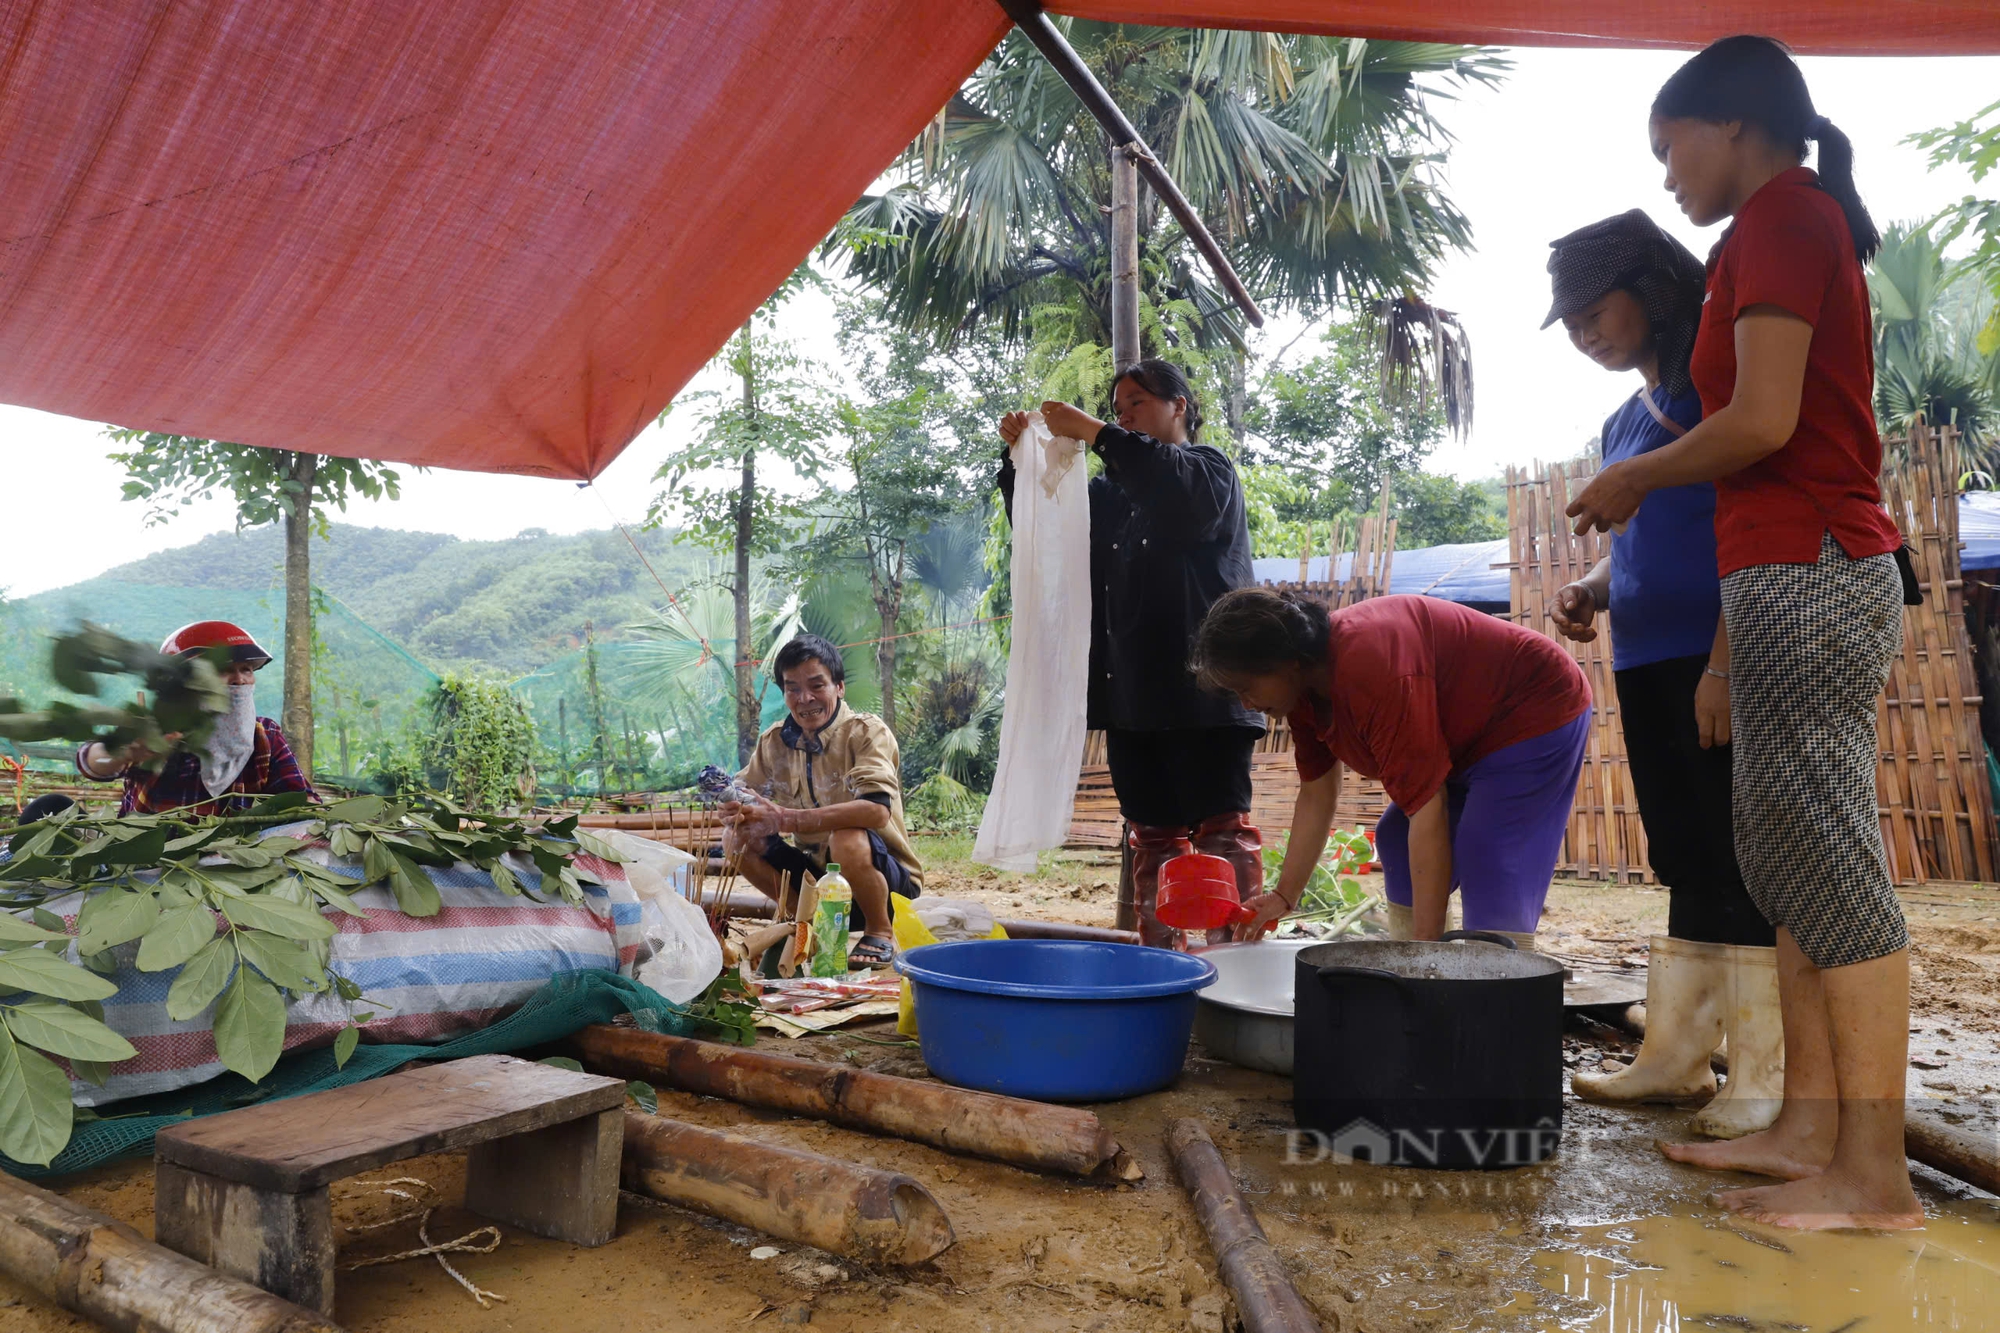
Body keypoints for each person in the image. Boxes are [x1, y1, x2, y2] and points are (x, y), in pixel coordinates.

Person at [1567, 36, 1917, 1231]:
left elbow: (1763, 419)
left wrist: (1635, 480)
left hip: (1815, 559)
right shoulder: (1762, 231)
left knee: (1828, 861)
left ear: (1729, 124)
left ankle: (1873, 1176)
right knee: (1780, 860)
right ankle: (1807, 1130)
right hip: (1773, 570)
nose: (1666, 175)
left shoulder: (1782, 216)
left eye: (1669, 148)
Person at [1541, 209, 1782, 1139]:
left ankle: (1761, 1070)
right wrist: (1591, 590)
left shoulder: (1716, 393)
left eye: (1596, 310)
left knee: (1738, 850)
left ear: (1650, 292)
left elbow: (1749, 527)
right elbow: (1645, 542)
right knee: (1681, 850)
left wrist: (1726, 659)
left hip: (1715, 653)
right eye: (1570, 322)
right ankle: (1677, 1055)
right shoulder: (1620, 420)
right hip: (1646, 654)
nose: (1586, 332)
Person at [997, 360, 1265, 949]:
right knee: (1153, 834)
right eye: (1118, 408)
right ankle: (1162, 964)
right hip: (1133, 699)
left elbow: (1174, 491)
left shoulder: (1208, 470)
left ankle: (1238, 964)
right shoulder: (1110, 497)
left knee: (1222, 832)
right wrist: (1020, 462)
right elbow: (1046, 530)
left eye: (1138, 402)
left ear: (1181, 406)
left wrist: (1095, 432)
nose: (1124, 414)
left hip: (1207, 699)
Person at [1188, 587, 1590, 947]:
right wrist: (1283, 897)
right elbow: (1317, 793)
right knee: (1396, 836)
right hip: (1467, 738)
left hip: (1533, 708)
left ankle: (1499, 987)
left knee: (1488, 852)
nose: (1246, 705)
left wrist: (1424, 954)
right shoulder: (1305, 693)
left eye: (1246, 688)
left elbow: (1427, 806)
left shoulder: (1370, 665)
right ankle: (1422, 966)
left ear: (1285, 661)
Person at [721, 634, 922, 970]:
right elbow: (742, 788)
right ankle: (806, 923)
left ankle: (879, 931)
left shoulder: (866, 732)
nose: (805, 698)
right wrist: (733, 806)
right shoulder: (774, 741)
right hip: (820, 880)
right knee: (736, 837)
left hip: (886, 886)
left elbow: (876, 811)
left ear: (839, 687)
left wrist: (789, 819)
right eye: (793, 688)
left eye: (817, 685)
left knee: (846, 834)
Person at [74, 621, 314, 816]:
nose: (239, 680)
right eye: (224, 670)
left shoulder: (265, 734)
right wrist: (123, 753)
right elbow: (91, 763)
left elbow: (300, 801)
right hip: (152, 864)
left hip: (235, 862)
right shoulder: (157, 728)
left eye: (246, 669)